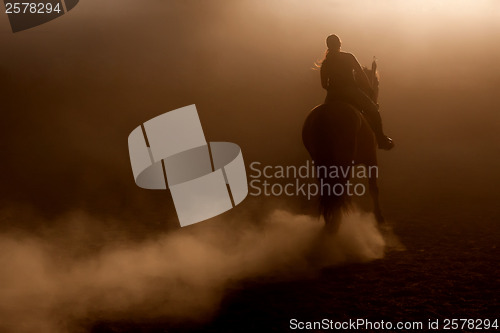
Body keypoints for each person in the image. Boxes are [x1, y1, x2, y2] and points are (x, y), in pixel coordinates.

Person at [320, 34, 394, 150]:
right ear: (340, 44)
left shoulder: (325, 63)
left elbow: (324, 85)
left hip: (332, 95)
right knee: (373, 109)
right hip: (351, 91)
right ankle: (381, 140)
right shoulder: (348, 57)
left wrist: (334, 89)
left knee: (322, 117)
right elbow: (361, 74)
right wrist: (369, 89)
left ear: (328, 45)